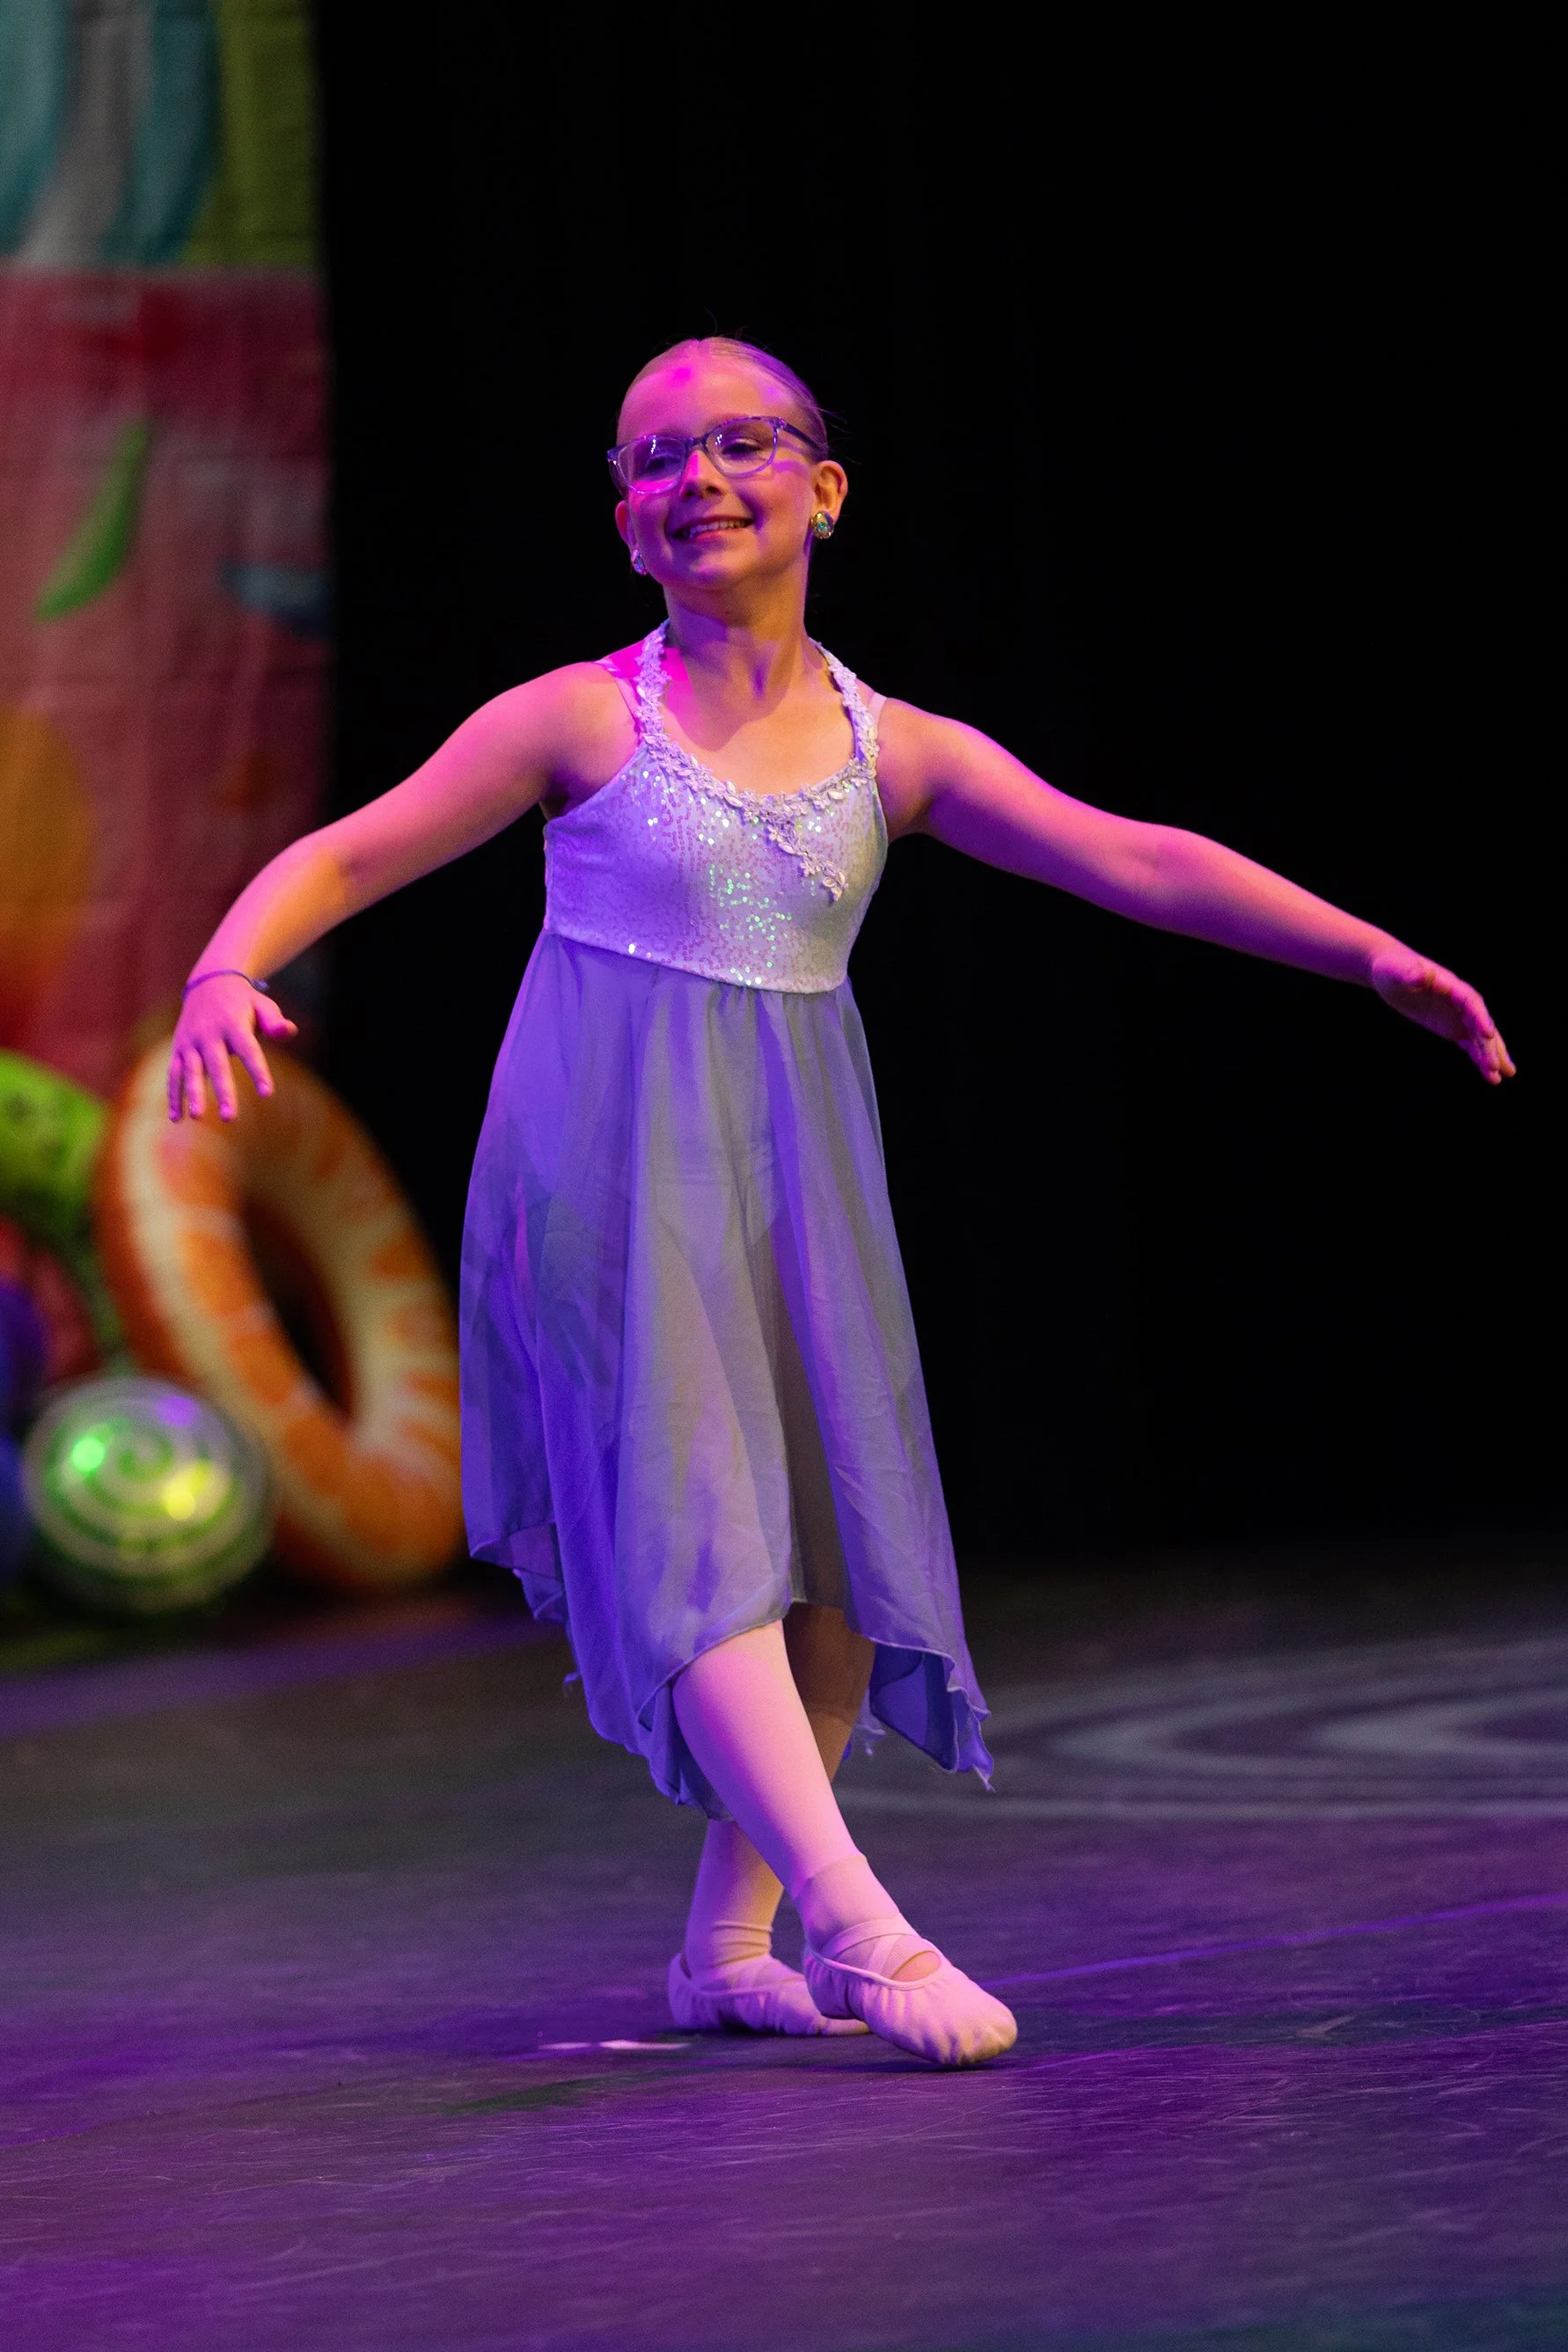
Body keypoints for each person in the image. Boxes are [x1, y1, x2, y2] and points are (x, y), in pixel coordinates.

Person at [167, 336, 1513, 2069]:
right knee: (706, 1540)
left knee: (826, 1585)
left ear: (825, 487)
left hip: (797, 1175)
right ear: (624, 516)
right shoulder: (581, 717)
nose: (700, 478)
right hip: (608, 1164)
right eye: (658, 458)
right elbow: (353, 848)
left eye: (742, 443)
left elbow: (1135, 855)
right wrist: (226, 964)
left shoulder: (899, 750)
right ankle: (865, 1930)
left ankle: (727, 1943)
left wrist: (1363, 951)